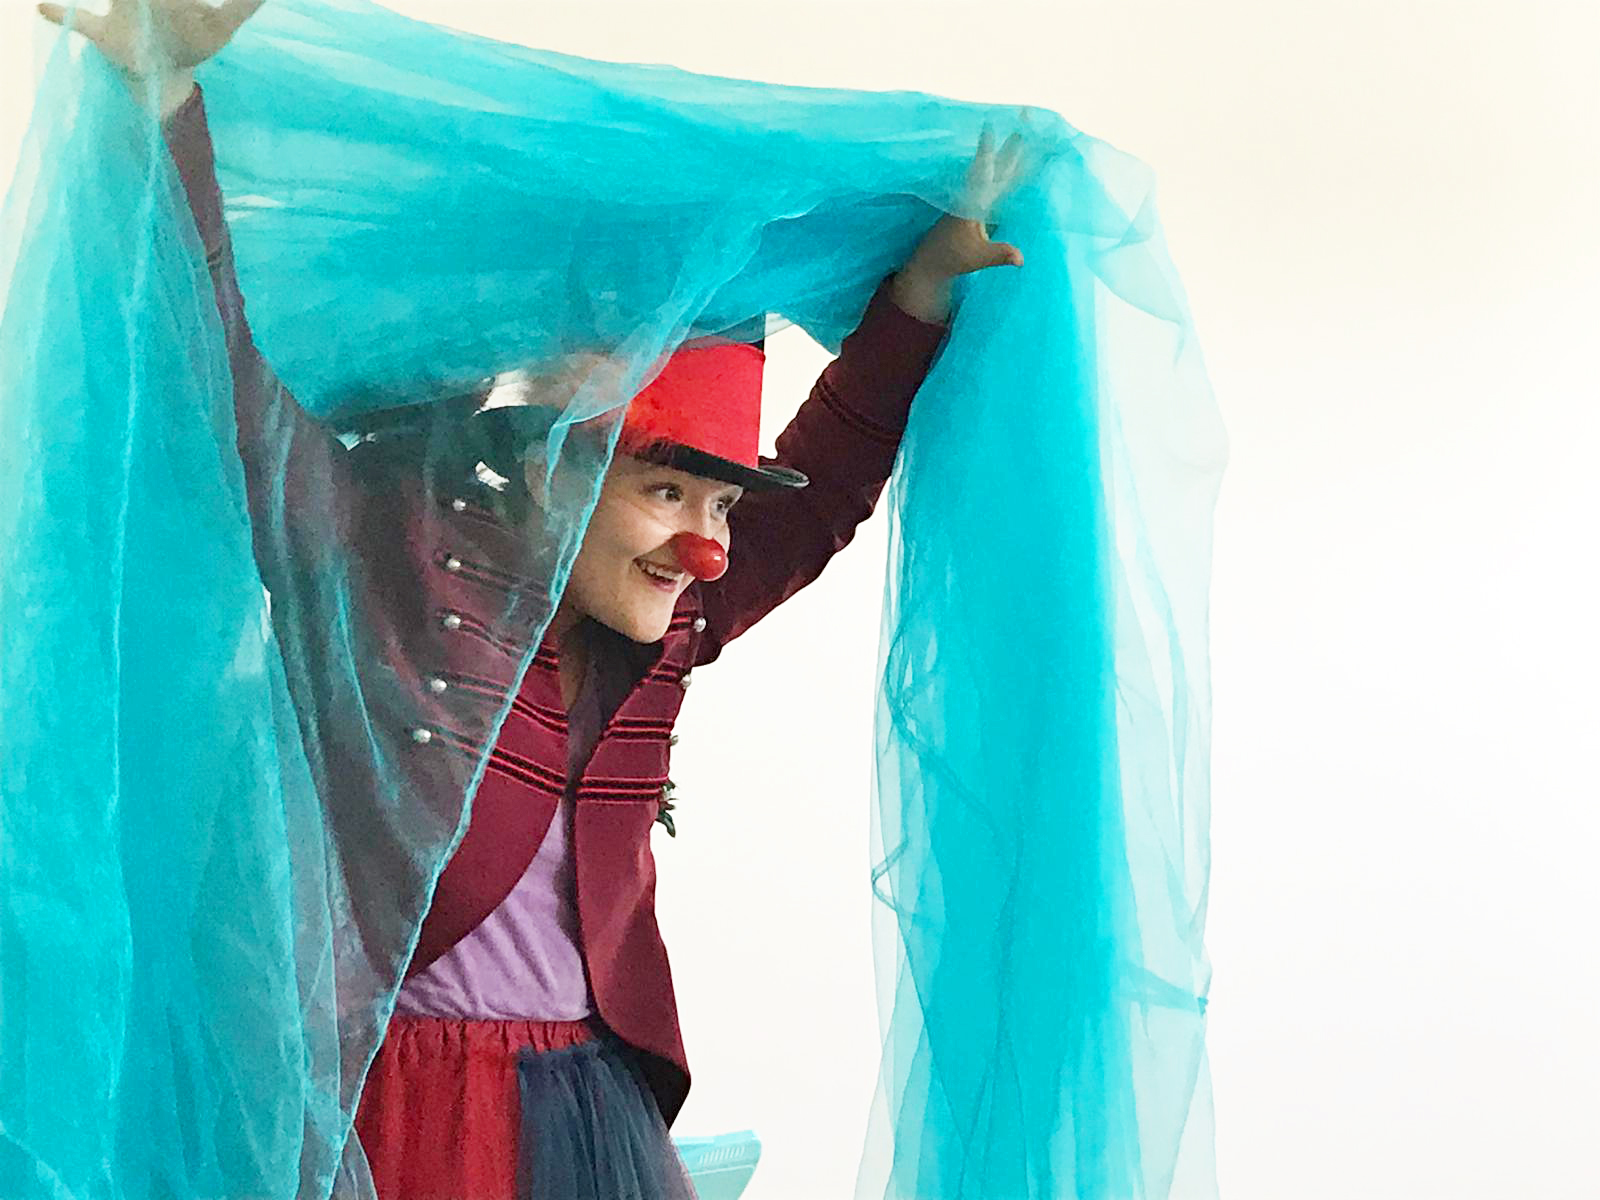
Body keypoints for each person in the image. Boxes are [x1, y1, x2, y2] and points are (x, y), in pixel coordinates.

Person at [38, 1, 1028, 1196]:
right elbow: (229, 393)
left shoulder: (664, 635)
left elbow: (819, 504)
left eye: (721, 507)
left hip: (577, 1102)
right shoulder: (381, 554)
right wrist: (170, 109)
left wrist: (916, 300)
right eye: (669, 490)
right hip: (377, 1087)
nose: (706, 546)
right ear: (561, 465)